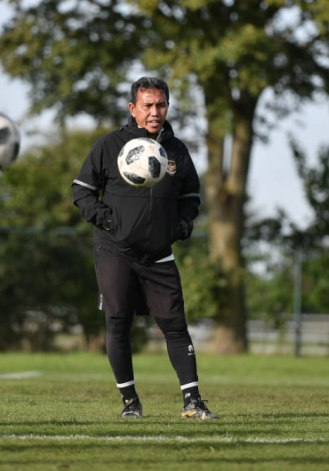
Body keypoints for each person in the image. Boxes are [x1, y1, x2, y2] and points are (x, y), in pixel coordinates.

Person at [71, 76, 216, 420]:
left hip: (159, 254)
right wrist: (107, 220)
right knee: (118, 323)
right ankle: (130, 403)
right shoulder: (109, 146)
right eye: (148, 105)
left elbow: (191, 196)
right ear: (132, 108)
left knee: (175, 325)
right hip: (115, 250)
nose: (155, 112)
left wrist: (182, 222)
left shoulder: (177, 150)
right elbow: (81, 192)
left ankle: (192, 402)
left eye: (161, 105)